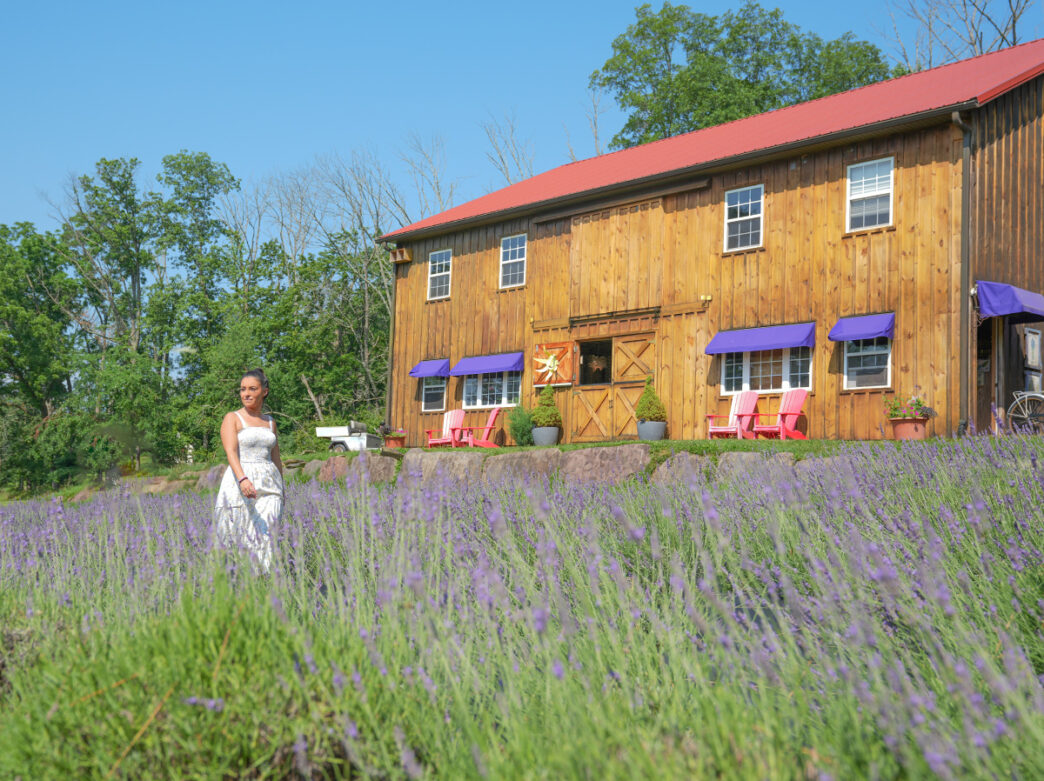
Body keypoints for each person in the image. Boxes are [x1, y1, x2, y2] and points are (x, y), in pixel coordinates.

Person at [214, 369, 285, 572]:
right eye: (243, 389)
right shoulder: (233, 418)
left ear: (264, 391)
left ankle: (262, 581)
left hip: (270, 484)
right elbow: (231, 451)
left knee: (267, 533)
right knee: (238, 535)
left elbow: (276, 458)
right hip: (241, 481)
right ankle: (241, 585)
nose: (246, 393)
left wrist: (283, 489)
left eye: (252, 389)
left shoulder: (271, 422)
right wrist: (243, 479)